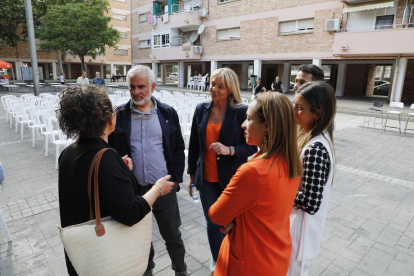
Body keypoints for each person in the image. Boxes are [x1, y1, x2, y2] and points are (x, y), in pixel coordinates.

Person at [57, 85, 175, 276]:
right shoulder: (105, 157)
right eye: (113, 110)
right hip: (108, 259)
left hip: (82, 258)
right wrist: (157, 189)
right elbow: (130, 213)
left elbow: (88, 182)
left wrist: (118, 168)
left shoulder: (68, 152)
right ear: (108, 119)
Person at [209, 92, 303, 276]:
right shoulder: (291, 162)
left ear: (266, 125)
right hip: (277, 256)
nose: (243, 125)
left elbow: (216, 214)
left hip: (249, 262)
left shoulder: (254, 171)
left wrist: (233, 220)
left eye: (249, 119)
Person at [108, 65, 188, 276]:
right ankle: (147, 271)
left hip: (163, 189)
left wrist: (177, 180)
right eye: (132, 87)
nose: (136, 92)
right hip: (134, 191)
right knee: (141, 237)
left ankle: (181, 270)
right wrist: (119, 159)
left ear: (152, 86)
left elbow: (179, 149)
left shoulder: (167, 113)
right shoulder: (120, 114)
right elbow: (110, 148)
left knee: (172, 235)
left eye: (141, 86)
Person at [187, 68, 258, 275]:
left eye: (220, 86)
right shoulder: (201, 109)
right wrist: (192, 173)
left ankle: (234, 256)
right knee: (212, 220)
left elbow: (253, 145)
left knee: (233, 222)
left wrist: (231, 150)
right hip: (206, 179)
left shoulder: (240, 112)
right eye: (212, 84)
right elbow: (194, 144)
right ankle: (218, 260)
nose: (213, 89)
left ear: (230, 90)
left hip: (232, 179)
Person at [287, 81, 336, 275]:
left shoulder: (316, 148)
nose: (293, 111)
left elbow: (311, 202)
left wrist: (280, 190)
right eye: (294, 104)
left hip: (300, 231)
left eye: (300, 108)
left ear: (318, 113)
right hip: (298, 228)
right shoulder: (313, 137)